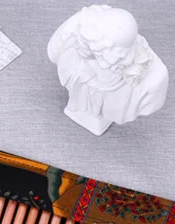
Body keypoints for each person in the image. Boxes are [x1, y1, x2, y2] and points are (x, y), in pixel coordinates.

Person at [47, 5, 168, 135]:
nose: (97, 53)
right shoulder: (74, 61)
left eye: (103, 51)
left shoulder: (148, 80)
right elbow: (53, 52)